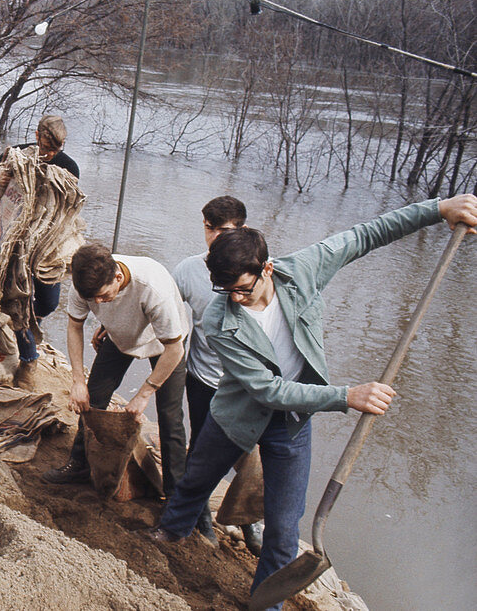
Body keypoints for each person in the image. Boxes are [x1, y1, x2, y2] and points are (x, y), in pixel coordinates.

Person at [148, 194, 477, 610]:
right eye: (225, 290)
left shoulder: (303, 271)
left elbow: (365, 235)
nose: (235, 299)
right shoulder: (218, 319)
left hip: (291, 426)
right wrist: (345, 396)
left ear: (266, 268)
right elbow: (267, 391)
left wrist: (438, 210)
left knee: (284, 530)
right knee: (197, 479)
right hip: (236, 416)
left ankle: (266, 604)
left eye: (242, 290)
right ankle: (172, 531)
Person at [42, 243, 190, 501]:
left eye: (103, 296)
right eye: (93, 299)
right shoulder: (84, 284)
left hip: (163, 344)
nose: (98, 303)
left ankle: (175, 494)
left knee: (170, 417)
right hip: (119, 337)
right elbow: (74, 327)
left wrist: (145, 393)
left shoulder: (153, 289)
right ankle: (79, 463)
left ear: (118, 277)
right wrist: (77, 381)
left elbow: (174, 350)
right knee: (93, 397)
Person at [171, 195, 261, 550]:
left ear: (242, 230)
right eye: (210, 229)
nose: (214, 237)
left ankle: (249, 519)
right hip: (203, 377)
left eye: (224, 230)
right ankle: (200, 516)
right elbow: (168, 315)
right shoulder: (188, 270)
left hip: (245, 384)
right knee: (204, 450)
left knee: (252, 456)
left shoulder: (257, 271)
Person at [0, 114, 78, 383]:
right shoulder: (16, 154)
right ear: (36, 135)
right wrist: (0, 176)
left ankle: (30, 326)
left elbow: (70, 206)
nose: (50, 153)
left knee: (49, 301)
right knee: (18, 300)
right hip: (13, 241)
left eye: (56, 148)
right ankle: (28, 361)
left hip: (47, 244)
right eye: (46, 146)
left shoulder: (69, 166)